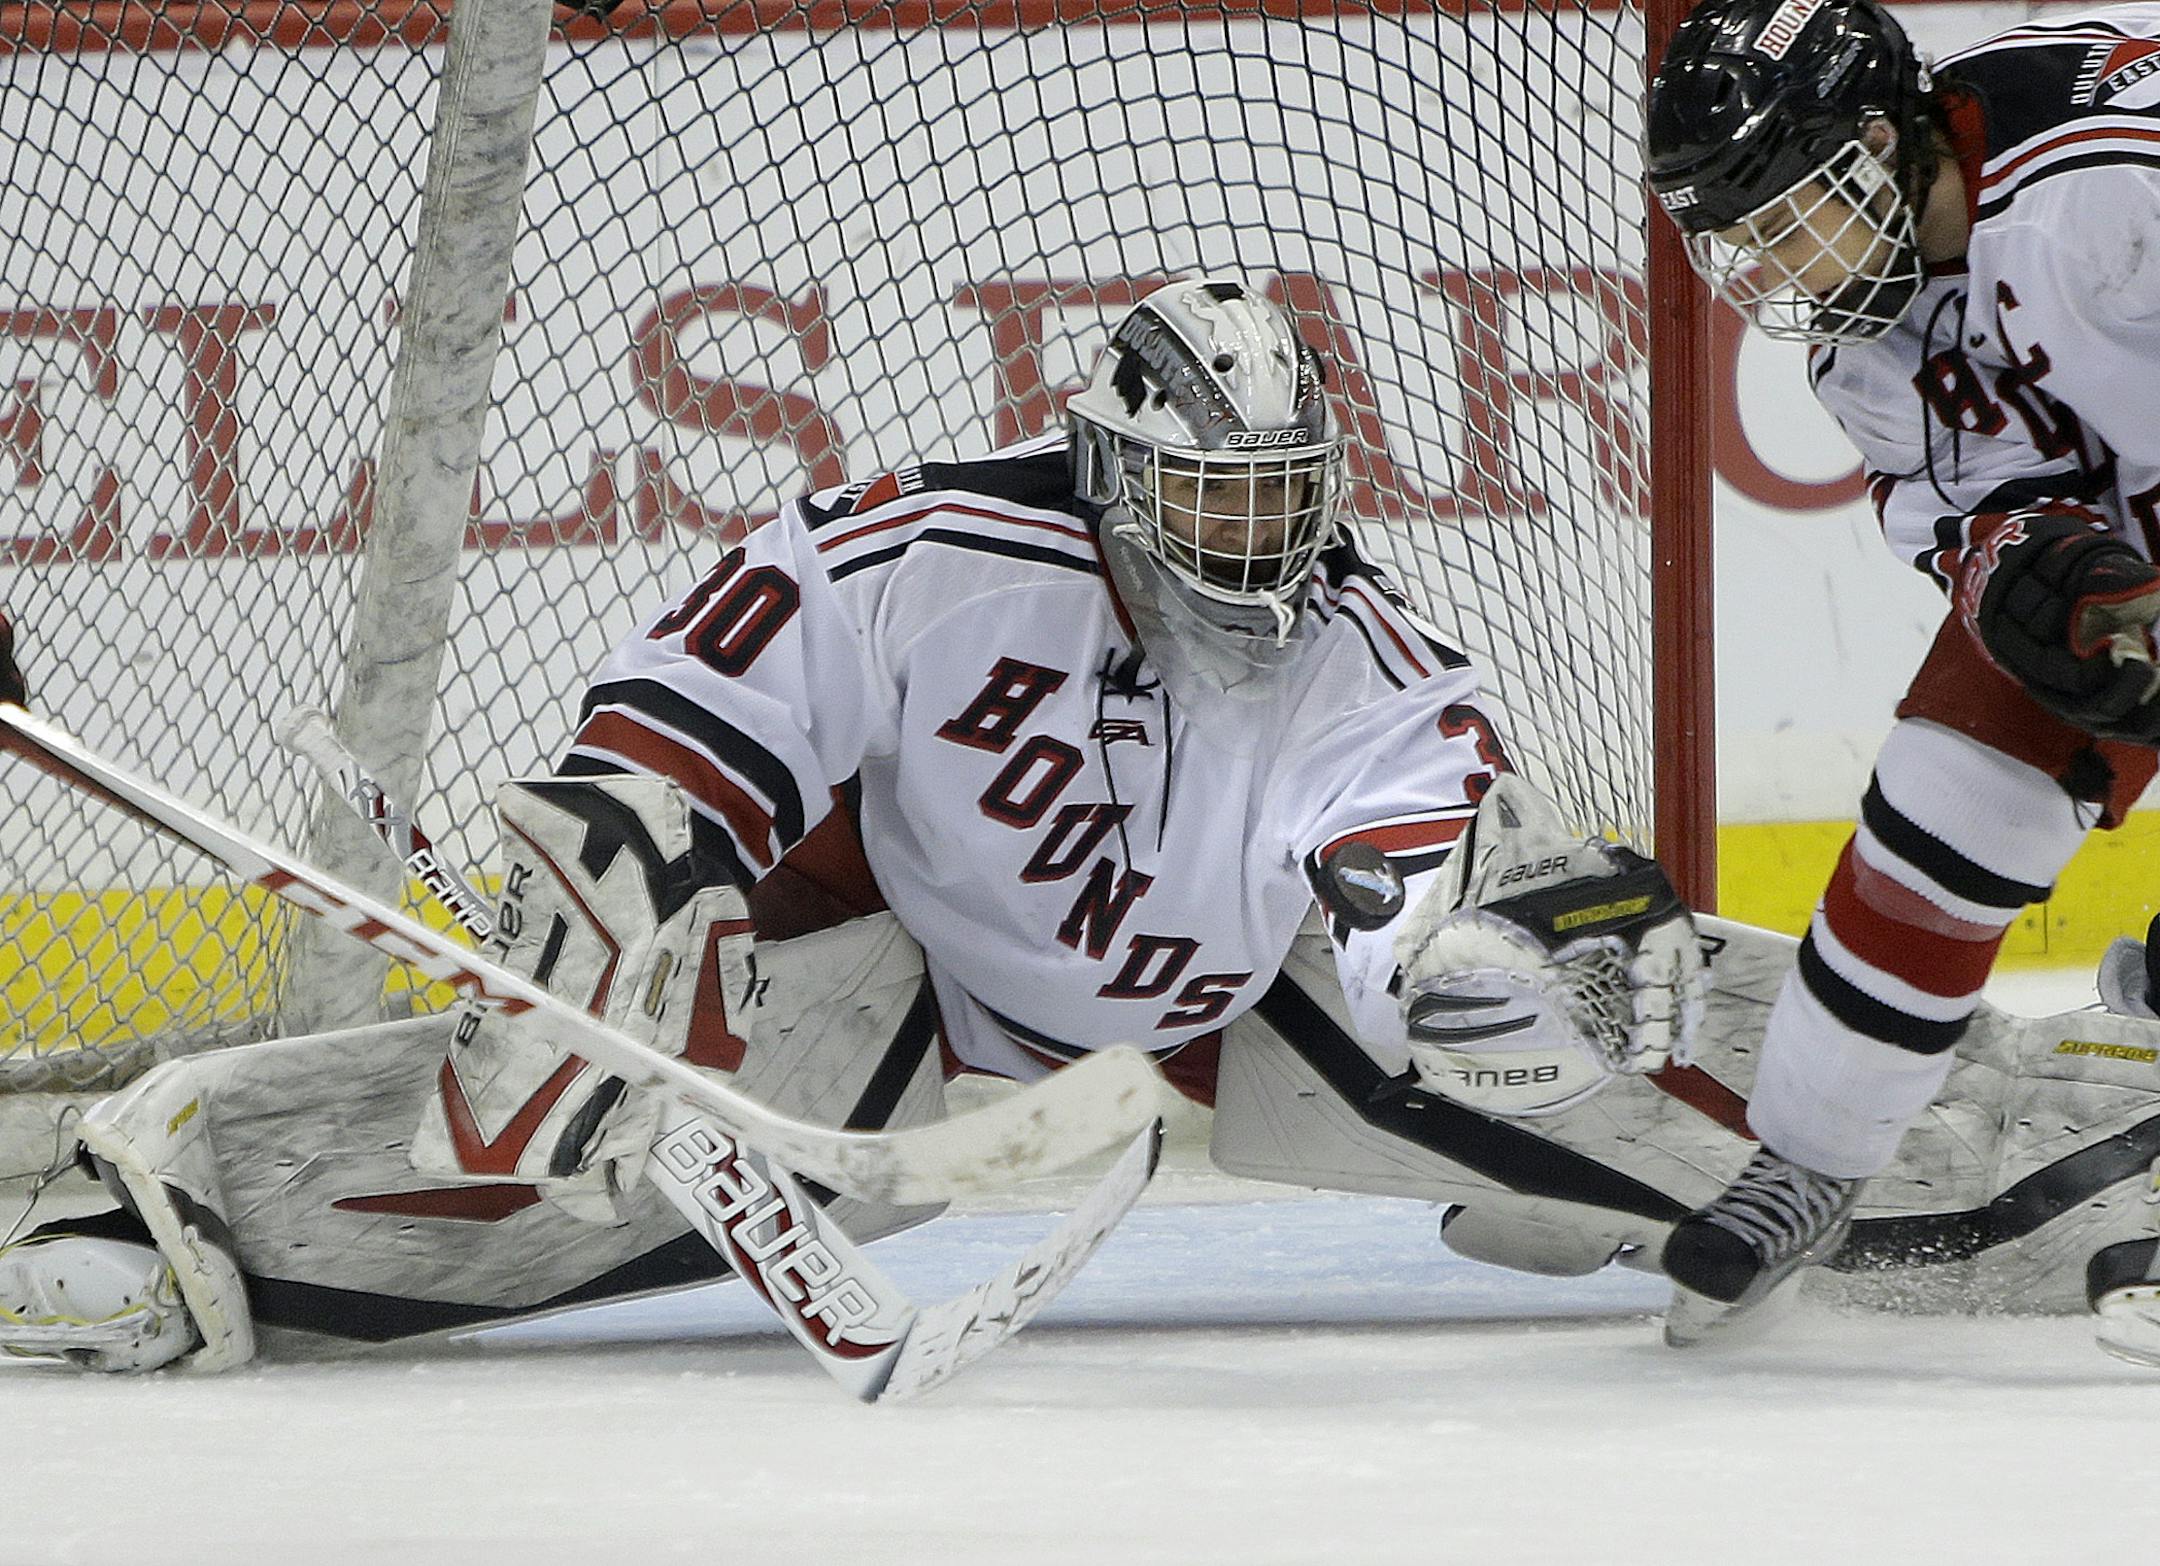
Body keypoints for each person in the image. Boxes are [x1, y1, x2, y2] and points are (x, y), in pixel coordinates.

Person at [0, 278, 1707, 1369]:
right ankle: (150, 1201)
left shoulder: (1366, 661)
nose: (1256, 544)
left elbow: (1418, 855)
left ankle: (1951, 1162)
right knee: (543, 1155)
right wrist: (620, 892)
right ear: (1115, 473)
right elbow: (695, 718)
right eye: (1210, 495)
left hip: (1244, 1007)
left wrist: (1470, 960)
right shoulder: (923, 557)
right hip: (903, 982)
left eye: (1283, 496)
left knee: (1683, 1063)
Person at [1643, 0, 2160, 1335]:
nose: (1768, 260)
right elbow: (1983, 521)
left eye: (1786, 213)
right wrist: (2046, 576)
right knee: (1954, 783)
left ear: (1882, 142)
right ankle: (1811, 1160)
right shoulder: (1860, 346)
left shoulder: (2099, 199)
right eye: (1737, 235)